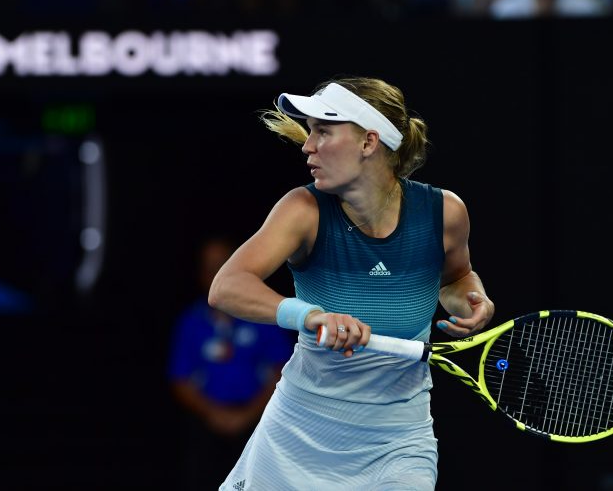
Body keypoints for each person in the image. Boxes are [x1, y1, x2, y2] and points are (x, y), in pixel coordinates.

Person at [208, 76, 495, 490]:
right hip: (298, 432)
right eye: (310, 132)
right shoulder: (303, 210)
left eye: (323, 131)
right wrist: (311, 315)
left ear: (368, 142)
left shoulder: (444, 213)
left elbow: (455, 277)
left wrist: (471, 298)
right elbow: (227, 287)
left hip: (397, 442)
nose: (308, 146)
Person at [168, 236, 295, 491]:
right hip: (206, 424)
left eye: (223, 266)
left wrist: (248, 416)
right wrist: (214, 414)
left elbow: (283, 372)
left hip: (257, 423)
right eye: (210, 268)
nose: (217, 275)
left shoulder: (263, 315)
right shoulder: (190, 322)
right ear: (201, 275)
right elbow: (179, 379)